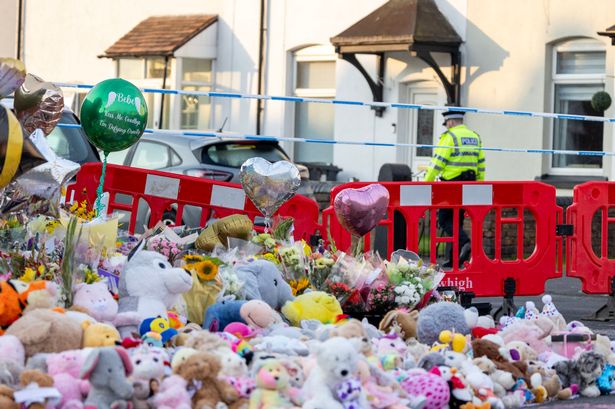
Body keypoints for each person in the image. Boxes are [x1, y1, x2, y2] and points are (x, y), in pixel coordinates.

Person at [424, 110, 485, 268]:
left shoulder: (449, 137)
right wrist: (479, 184)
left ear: (450, 122)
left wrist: (426, 183)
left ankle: (465, 242)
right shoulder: (475, 137)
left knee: (444, 221)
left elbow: (437, 163)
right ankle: (455, 259)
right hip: (470, 184)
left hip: (450, 185)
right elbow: (481, 164)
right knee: (457, 221)